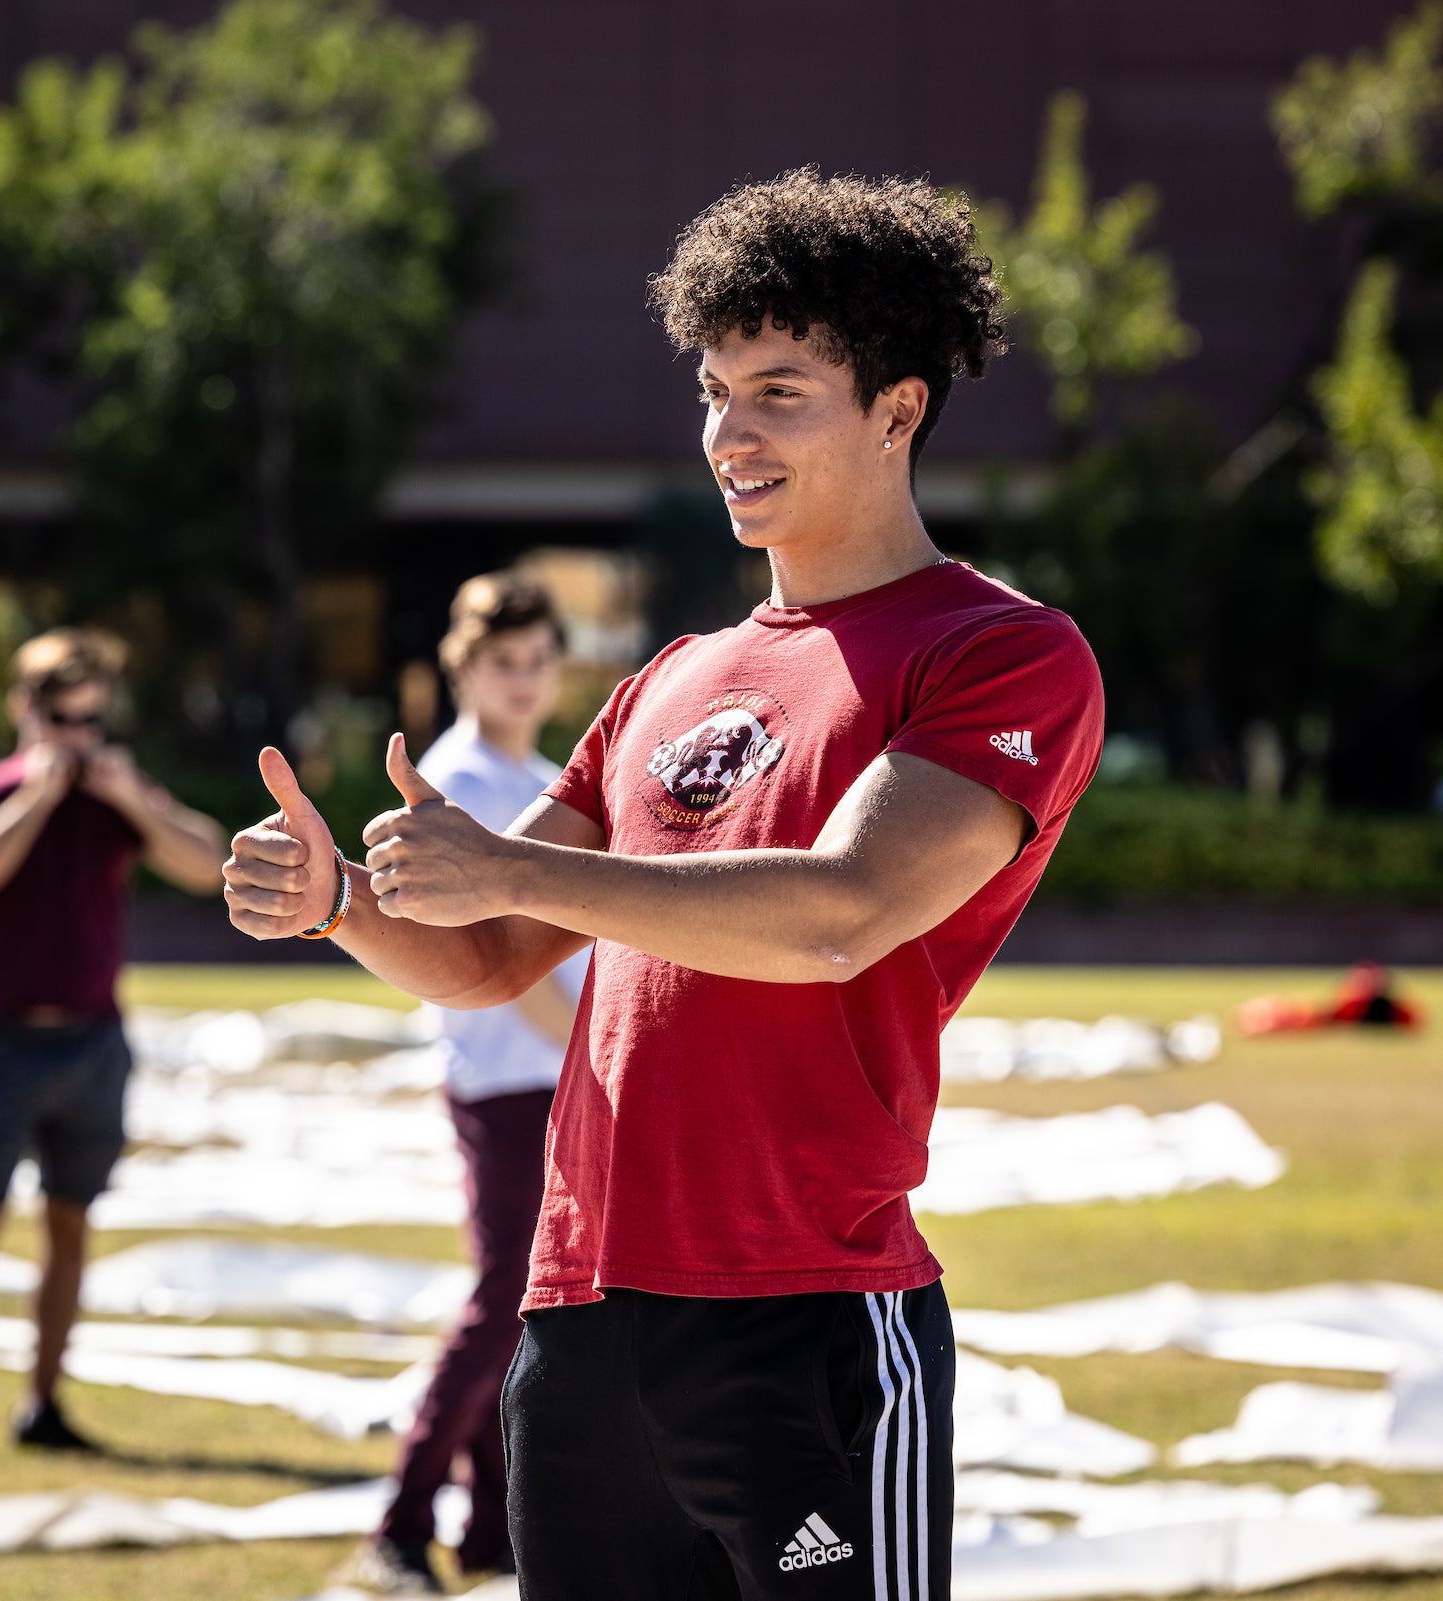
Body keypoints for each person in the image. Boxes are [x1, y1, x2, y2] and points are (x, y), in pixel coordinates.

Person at [224, 169, 1105, 1601]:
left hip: (809, 1316)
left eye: (780, 392)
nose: (729, 436)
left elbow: (841, 916)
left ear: (899, 410)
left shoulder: (999, 652)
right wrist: (343, 905)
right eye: (713, 392)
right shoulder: (668, 678)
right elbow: (497, 954)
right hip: (578, 1325)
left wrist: (503, 859)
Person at [0, 628, 229, 1463]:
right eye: (64, 715)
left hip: (96, 1041)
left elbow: (204, 861)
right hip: (3, 1041)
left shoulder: (115, 792)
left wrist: (131, 796)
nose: (80, 732)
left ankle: (44, 1404)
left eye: (93, 715)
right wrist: (35, 795)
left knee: (70, 1226)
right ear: (24, 709)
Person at [338, 573, 592, 1594]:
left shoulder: (533, 768)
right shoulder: (461, 780)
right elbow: (497, 960)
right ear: (461, 665)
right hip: (512, 1079)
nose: (523, 679)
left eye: (537, 660)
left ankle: (492, 1527)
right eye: (503, 661)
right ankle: (399, 1523)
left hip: (547, 1070)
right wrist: (596, 1051)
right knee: (505, 1301)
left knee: (532, 1307)